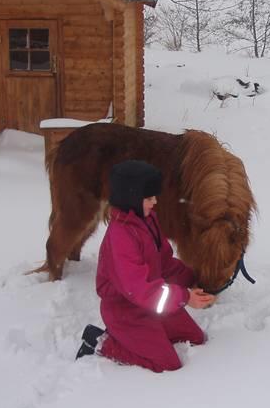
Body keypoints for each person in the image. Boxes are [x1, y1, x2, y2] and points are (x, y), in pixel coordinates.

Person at [76, 159, 215, 372]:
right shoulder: (121, 237)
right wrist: (185, 298)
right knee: (167, 363)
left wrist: (196, 280)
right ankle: (101, 342)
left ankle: (142, 338)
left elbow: (165, 263)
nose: (155, 202)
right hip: (126, 310)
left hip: (150, 302)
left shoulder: (147, 220)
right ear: (131, 198)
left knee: (195, 338)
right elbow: (139, 289)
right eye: (149, 197)